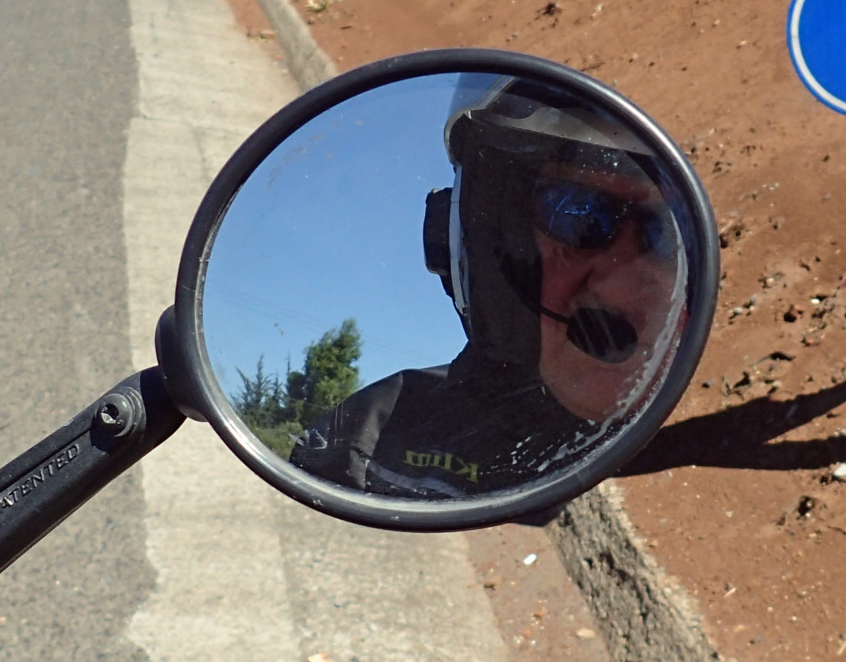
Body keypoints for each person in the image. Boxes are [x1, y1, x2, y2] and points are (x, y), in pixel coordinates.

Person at [289, 77, 690, 498]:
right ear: (488, 251)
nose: (620, 289)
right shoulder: (366, 443)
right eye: (578, 214)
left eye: (664, 233)